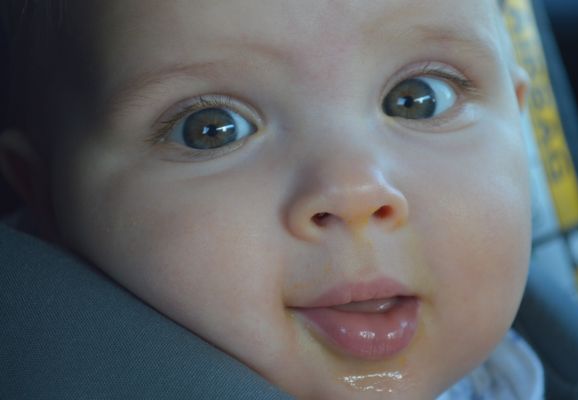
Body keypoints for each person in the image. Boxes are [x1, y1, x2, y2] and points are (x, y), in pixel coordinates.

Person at [0, 0, 542, 398]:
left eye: (418, 99)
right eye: (212, 129)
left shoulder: (522, 363)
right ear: (45, 192)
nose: (355, 192)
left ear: (518, 123)